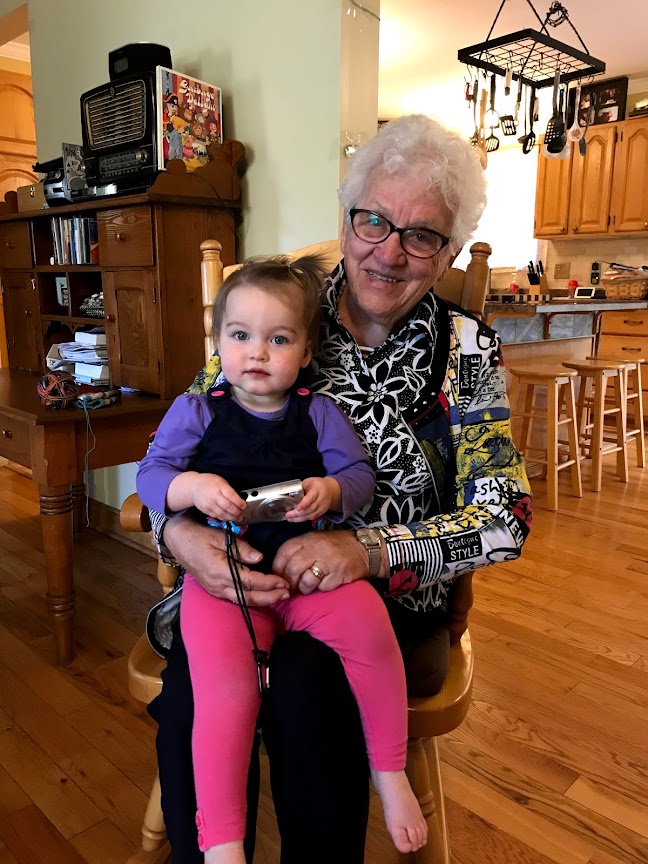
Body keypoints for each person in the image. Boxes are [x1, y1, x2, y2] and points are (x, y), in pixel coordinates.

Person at [147, 114, 532, 864]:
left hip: (380, 604)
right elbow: (175, 450)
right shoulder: (273, 316)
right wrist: (180, 535)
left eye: (422, 235)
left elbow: (505, 519)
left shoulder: (467, 351)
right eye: (372, 220)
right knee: (196, 691)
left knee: (308, 686)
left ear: (449, 252)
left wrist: (369, 550)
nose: (388, 251)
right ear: (347, 217)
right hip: (239, 576)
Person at [137, 256, 428, 863]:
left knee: (372, 632)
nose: (257, 353)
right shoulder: (198, 409)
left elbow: (358, 477)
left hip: (307, 577)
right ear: (218, 342)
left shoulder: (317, 412)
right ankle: (222, 843)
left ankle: (390, 770)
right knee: (223, 695)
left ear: (305, 350)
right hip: (225, 585)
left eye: (278, 339)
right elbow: (152, 475)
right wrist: (191, 489)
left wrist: (331, 490)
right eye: (240, 335)